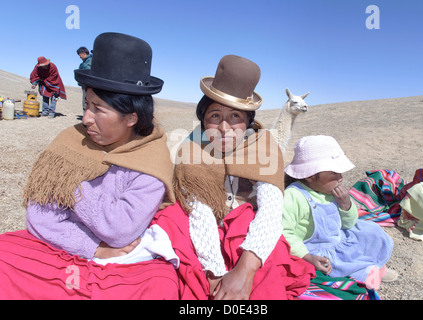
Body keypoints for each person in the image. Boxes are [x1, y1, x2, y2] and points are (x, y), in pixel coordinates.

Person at [0, 32, 179, 299]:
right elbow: (39, 216)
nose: (85, 119)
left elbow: (120, 229)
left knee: (159, 288)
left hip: (126, 264)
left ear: (131, 117)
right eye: (86, 105)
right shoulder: (72, 141)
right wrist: (93, 247)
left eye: (98, 109)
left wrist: (69, 188)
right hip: (61, 249)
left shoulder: (151, 157)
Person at [151, 55, 315, 300]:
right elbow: (199, 210)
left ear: (249, 121)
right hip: (202, 231)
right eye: (215, 116)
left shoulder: (264, 147)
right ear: (203, 119)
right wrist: (215, 272)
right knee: (170, 221)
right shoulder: (193, 147)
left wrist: (245, 271)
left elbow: (270, 212)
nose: (224, 128)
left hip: (249, 237)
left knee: (264, 270)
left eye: (235, 117)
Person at [282, 135, 397, 290]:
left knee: (371, 231)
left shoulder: (328, 190)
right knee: (332, 267)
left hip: (338, 239)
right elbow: (285, 232)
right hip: (314, 249)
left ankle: (376, 267)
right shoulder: (294, 195)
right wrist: (307, 257)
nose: (341, 178)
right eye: (334, 173)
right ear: (310, 175)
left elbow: (349, 224)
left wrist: (346, 205)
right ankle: (366, 274)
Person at [76, 47, 93, 115]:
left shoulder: (89, 60)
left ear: (83, 53)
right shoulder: (87, 60)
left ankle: (86, 117)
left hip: (88, 85)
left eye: (79, 55)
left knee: (86, 102)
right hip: (86, 84)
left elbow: (87, 70)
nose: (80, 57)